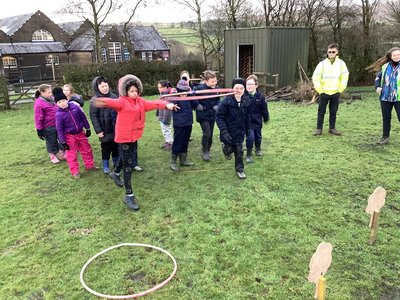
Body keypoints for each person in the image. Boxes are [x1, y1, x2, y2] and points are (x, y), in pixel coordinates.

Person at [93, 74, 178, 211]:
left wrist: (167, 105)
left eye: (136, 91)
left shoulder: (140, 102)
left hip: (134, 136)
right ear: (125, 92)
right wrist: (100, 101)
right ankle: (129, 195)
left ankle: (115, 173)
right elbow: (111, 102)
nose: (134, 93)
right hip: (124, 137)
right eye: (131, 91)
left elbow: (155, 103)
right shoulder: (122, 102)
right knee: (128, 165)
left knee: (127, 158)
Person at [54, 87, 96, 179]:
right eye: (59, 102)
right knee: (71, 154)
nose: (62, 103)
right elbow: (59, 129)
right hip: (69, 136)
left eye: (63, 101)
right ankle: (75, 171)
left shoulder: (75, 107)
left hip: (80, 133)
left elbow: (83, 118)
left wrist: (88, 128)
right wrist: (63, 142)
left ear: (67, 99)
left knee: (86, 149)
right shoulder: (59, 115)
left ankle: (90, 165)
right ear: (57, 104)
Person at [216, 78, 251, 179]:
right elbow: (219, 116)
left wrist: (248, 129)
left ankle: (239, 170)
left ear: (244, 89)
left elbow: (248, 116)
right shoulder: (226, 101)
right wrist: (224, 131)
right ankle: (225, 149)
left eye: (241, 88)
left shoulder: (246, 100)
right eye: (236, 88)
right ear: (232, 89)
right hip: (228, 132)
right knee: (229, 149)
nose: (239, 90)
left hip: (240, 131)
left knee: (239, 150)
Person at [312, 43, 349, 136]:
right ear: (327, 52)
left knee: (333, 111)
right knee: (321, 111)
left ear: (337, 52)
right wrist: (320, 90)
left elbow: (345, 77)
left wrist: (340, 89)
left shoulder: (341, 64)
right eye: (329, 52)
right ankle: (319, 129)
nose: (331, 53)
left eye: (333, 52)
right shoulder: (322, 64)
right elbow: (316, 77)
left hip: (335, 92)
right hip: (324, 92)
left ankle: (332, 128)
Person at [89, 76, 119, 174]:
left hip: (115, 129)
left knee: (115, 147)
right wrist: (98, 130)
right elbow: (94, 116)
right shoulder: (95, 100)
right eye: (102, 86)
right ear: (97, 88)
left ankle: (116, 163)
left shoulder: (114, 97)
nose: (105, 88)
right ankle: (105, 165)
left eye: (106, 85)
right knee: (106, 148)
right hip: (104, 130)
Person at [170, 78, 198, 171]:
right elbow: (171, 103)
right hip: (179, 124)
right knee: (178, 142)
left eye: (185, 92)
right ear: (178, 91)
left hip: (188, 123)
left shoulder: (189, 97)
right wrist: (173, 105)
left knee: (185, 142)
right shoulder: (175, 97)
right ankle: (173, 161)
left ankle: (183, 160)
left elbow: (195, 104)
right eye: (182, 92)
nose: (184, 94)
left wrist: (192, 94)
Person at [33, 84, 65, 164]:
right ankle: (52, 155)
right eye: (48, 93)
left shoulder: (53, 99)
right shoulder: (39, 103)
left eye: (51, 92)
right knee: (51, 141)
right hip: (48, 127)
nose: (50, 94)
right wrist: (39, 129)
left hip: (58, 124)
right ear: (41, 93)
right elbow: (38, 117)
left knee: (62, 139)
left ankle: (62, 153)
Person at [374, 47, 400, 145]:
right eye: (395, 55)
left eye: (398, 54)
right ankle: (385, 137)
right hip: (385, 97)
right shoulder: (385, 66)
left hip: (398, 97)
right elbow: (378, 77)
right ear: (391, 56)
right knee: (386, 117)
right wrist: (377, 87)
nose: (397, 56)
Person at [193, 70, 220, 161]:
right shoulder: (199, 88)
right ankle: (204, 151)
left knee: (211, 134)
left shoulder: (216, 89)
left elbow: (218, 99)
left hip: (212, 114)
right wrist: (197, 105)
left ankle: (208, 150)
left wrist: (217, 105)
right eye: (212, 82)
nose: (214, 83)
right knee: (207, 133)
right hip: (203, 114)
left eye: (215, 81)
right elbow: (192, 97)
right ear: (206, 81)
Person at [245, 74, 269, 163]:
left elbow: (264, 109)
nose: (249, 86)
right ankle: (249, 154)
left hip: (257, 121)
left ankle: (258, 148)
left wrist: (266, 118)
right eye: (247, 84)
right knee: (250, 137)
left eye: (251, 84)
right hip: (247, 122)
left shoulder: (260, 97)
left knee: (258, 136)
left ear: (256, 85)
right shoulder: (244, 96)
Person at [157, 80, 173, 150]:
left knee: (166, 129)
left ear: (165, 87)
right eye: (158, 87)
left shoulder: (168, 95)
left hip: (165, 117)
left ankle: (170, 143)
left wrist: (166, 119)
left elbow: (168, 109)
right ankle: (167, 141)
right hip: (161, 115)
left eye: (160, 87)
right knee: (164, 129)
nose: (159, 89)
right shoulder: (162, 94)